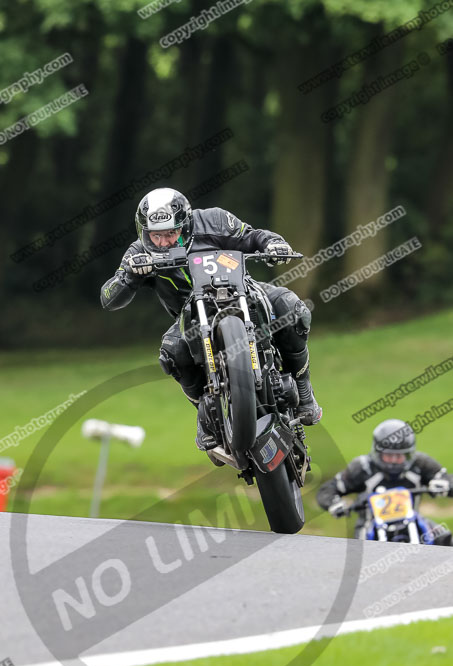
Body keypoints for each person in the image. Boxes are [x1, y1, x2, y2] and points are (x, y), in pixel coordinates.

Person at [100, 187, 322, 451]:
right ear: (144, 232)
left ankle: (303, 388)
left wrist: (273, 243)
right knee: (172, 353)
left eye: (171, 233)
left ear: (186, 224)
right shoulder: (139, 252)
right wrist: (130, 276)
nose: (164, 242)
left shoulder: (215, 221)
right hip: (190, 316)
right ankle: (205, 413)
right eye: (156, 236)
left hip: (242, 290)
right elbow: (109, 297)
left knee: (292, 309)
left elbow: (253, 236)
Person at [316, 418, 453, 544]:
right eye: (388, 455)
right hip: (370, 525)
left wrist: (446, 484)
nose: (393, 461)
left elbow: (447, 479)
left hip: (413, 522)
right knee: (358, 551)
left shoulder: (421, 464)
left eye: (399, 456)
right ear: (378, 452)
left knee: (447, 539)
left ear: (408, 454)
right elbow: (328, 489)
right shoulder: (363, 467)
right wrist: (334, 503)